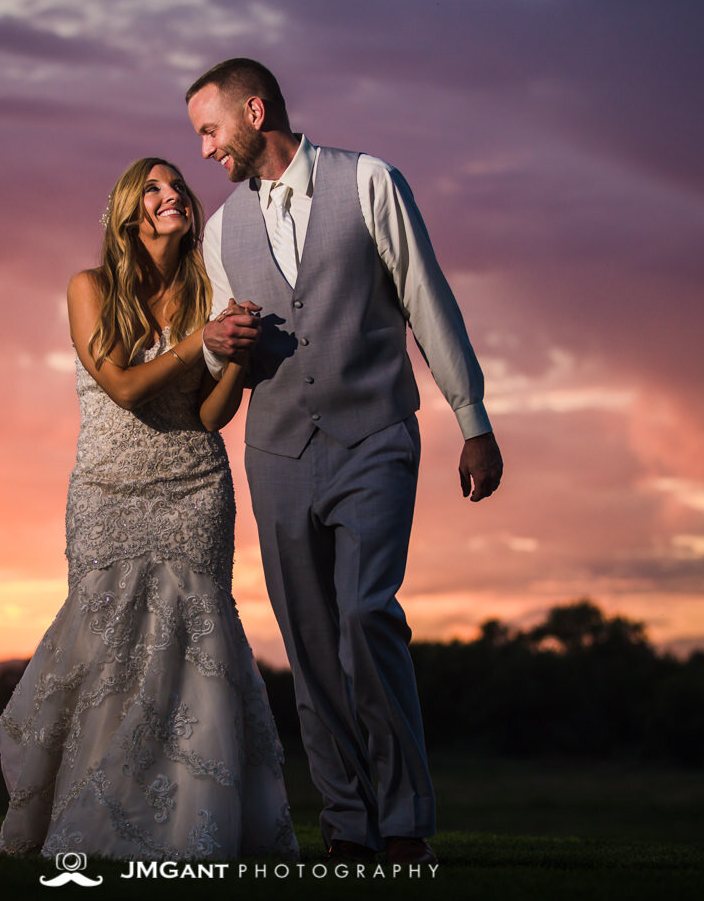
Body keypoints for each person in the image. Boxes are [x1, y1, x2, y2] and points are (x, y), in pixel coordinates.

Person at [186, 58, 504, 865]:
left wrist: (473, 420)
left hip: (374, 435)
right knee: (310, 644)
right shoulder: (224, 231)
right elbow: (235, 352)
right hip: (278, 449)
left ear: (255, 111)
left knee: (366, 615)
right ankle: (348, 827)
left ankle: (405, 823)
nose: (206, 150)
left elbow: (428, 298)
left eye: (210, 129)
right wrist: (225, 348)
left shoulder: (370, 182)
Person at [0, 157, 300, 862]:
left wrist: (240, 364)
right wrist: (203, 342)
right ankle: (92, 821)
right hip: (107, 491)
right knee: (109, 654)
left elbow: (208, 416)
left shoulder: (210, 294)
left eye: (177, 187)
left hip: (195, 487)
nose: (172, 196)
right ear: (131, 213)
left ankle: (193, 826)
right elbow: (123, 387)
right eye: (155, 188)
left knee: (196, 652)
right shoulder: (90, 287)